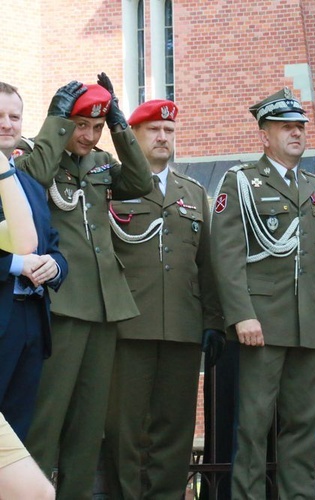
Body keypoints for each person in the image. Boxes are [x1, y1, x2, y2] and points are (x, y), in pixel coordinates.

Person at [210, 87, 315, 499]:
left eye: (300, 126)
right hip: (262, 323)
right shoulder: (240, 182)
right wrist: (241, 314)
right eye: (285, 127)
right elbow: (227, 256)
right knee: (253, 428)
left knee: (304, 429)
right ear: (264, 135)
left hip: (310, 325)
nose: (296, 133)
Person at [14, 75, 152, 496]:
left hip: (104, 305)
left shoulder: (101, 163)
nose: (89, 136)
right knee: (47, 421)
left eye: (96, 127)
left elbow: (141, 183)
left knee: (88, 428)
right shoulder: (38, 158)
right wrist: (56, 121)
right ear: (63, 122)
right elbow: (32, 178)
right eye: (81, 126)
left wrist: (119, 125)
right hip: (62, 305)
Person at [102, 99, 224, 498]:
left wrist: (212, 321)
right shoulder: (111, 185)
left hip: (183, 328)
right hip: (129, 324)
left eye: (169, 131)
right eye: (153, 130)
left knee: (175, 429)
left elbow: (205, 263)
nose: (162, 137)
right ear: (133, 137)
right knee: (126, 429)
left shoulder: (193, 191)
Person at [0, 82, 68, 441]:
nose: (7, 124)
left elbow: (53, 246)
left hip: (31, 324)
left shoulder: (29, 184)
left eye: (14, 116)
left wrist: (54, 267)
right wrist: (15, 264)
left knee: (16, 437)